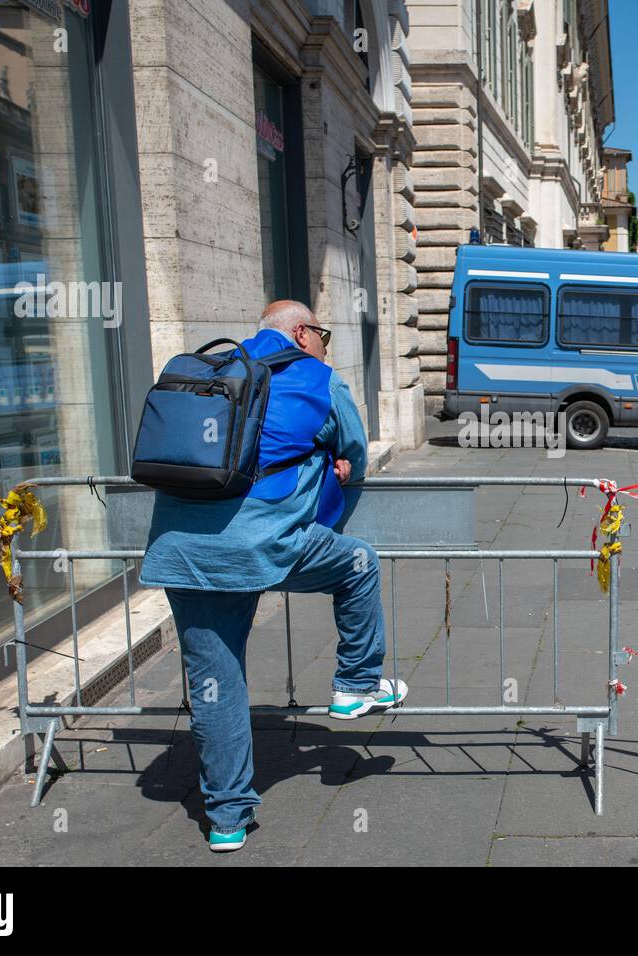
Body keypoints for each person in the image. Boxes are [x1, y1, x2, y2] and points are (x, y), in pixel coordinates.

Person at [140, 300, 406, 852]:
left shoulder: (207, 370)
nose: (326, 345)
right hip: (263, 545)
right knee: (358, 565)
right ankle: (355, 685)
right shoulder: (317, 378)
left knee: (217, 685)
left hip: (182, 549)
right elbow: (353, 447)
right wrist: (336, 463)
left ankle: (228, 819)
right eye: (324, 334)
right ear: (302, 333)